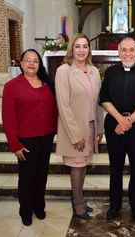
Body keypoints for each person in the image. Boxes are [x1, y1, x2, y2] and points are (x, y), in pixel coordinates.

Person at [99, 37, 135, 221]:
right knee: (115, 167)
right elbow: (104, 99)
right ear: (118, 51)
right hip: (114, 124)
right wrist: (120, 119)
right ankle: (114, 206)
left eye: (132, 50)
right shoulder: (110, 72)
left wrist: (128, 120)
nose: (128, 53)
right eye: (124, 50)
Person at [2, 49, 57, 226]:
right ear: (21, 63)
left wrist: (55, 129)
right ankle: (25, 210)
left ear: (39, 64)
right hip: (26, 140)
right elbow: (8, 118)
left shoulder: (47, 83)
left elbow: (54, 108)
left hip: (46, 136)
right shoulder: (12, 86)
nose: (31, 63)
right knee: (27, 177)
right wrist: (15, 144)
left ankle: (39, 207)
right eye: (27, 60)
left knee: (41, 175)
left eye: (35, 60)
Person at [55, 33, 104, 221]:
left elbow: (98, 101)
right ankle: (77, 203)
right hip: (73, 128)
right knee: (76, 166)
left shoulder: (93, 71)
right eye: (78, 46)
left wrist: (99, 128)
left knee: (83, 166)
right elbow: (63, 105)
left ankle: (80, 199)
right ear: (71, 49)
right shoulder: (64, 71)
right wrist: (75, 135)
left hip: (90, 127)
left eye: (85, 46)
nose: (82, 50)